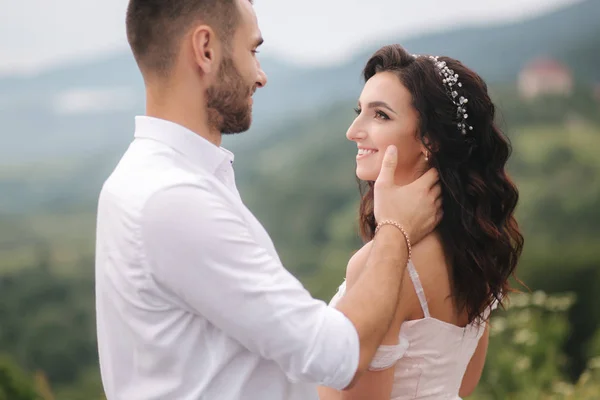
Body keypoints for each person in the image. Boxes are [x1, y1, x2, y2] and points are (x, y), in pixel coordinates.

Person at [94, 2, 443, 399]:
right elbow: (336, 355)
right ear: (205, 49)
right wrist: (397, 230)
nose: (260, 76)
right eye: (252, 50)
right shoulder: (174, 198)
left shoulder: (144, 178)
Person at [318, 44, 524, 400]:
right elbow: (461, 384)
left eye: (380, 115)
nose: (354, 131)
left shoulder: (381, 263)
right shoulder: (475, 245)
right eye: (360, 112)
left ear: (430, 139)